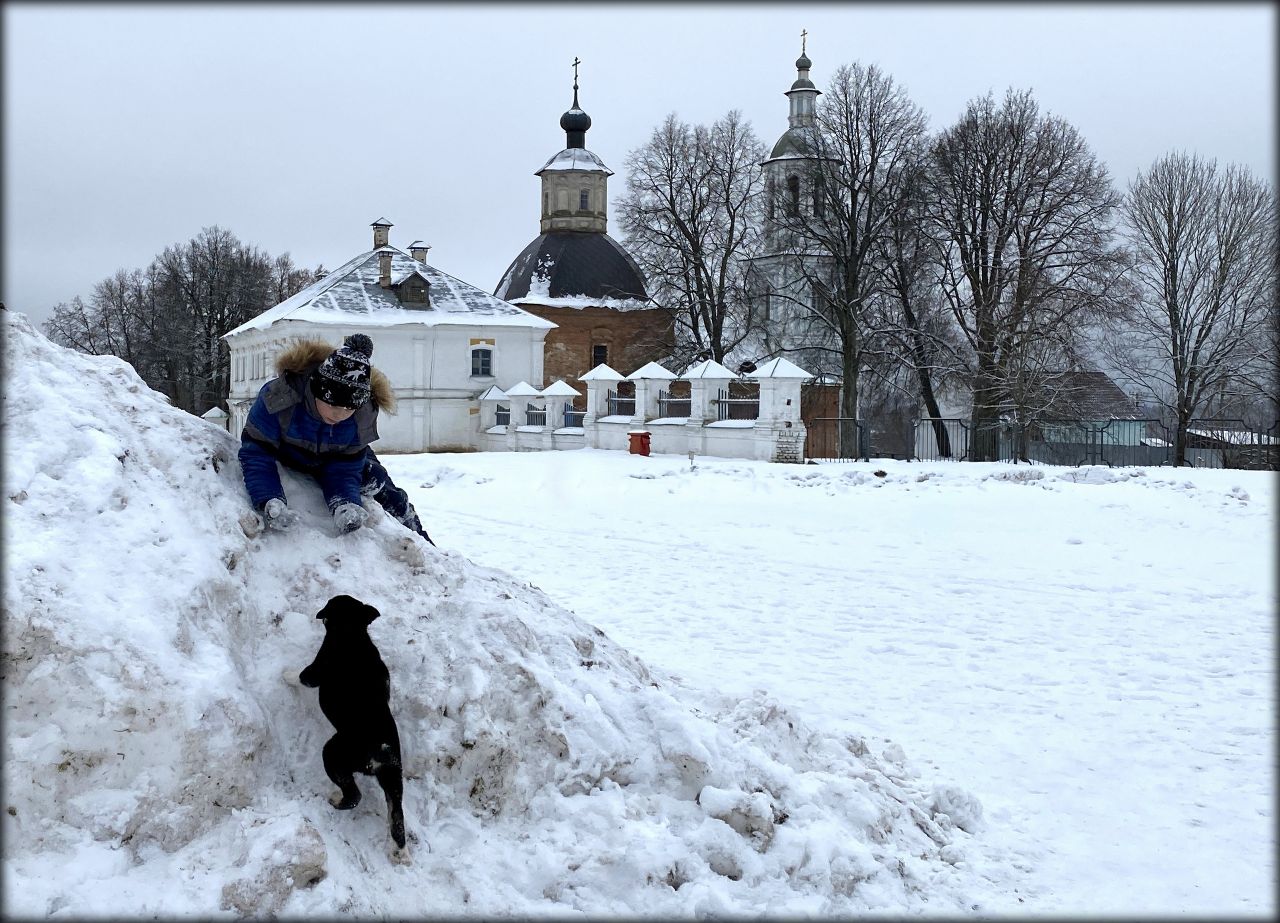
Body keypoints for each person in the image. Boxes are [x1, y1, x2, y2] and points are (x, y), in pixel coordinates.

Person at [238, 333, 434, 544]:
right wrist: (269, 499)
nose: (339, 414)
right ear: (316, 390)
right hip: (292, 451)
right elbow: (256, 453)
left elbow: (345, 467)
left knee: (380, 485)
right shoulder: (280, 399)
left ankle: (425, 545)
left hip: (335, 455)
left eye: (349, 408)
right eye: (333, 405)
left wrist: (345, 503)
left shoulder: (361, 415)